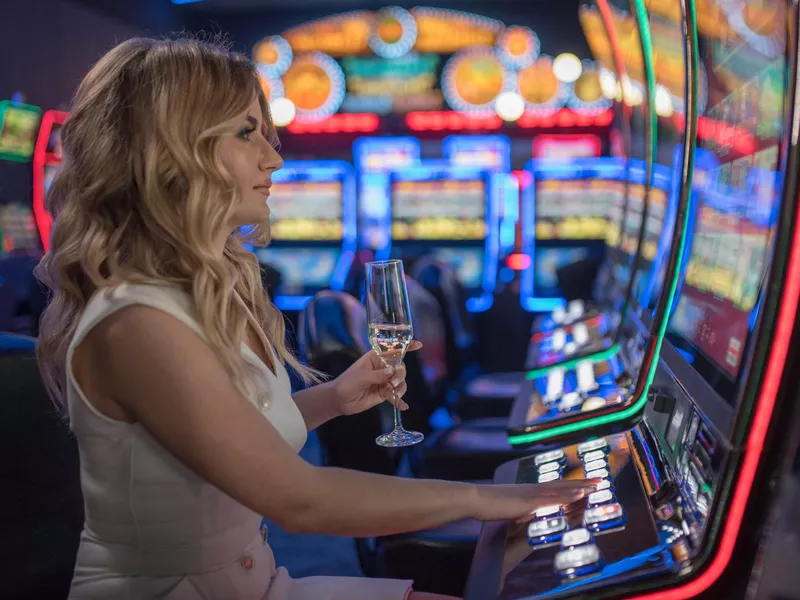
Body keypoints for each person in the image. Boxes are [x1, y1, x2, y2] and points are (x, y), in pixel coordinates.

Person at [35, 37, 597, 600]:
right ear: (174, 151)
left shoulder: (194, 293)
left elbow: (232, 436)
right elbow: (296, 499)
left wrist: (334, 397)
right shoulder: (136, 322)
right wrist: (486, 500)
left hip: (252, 583)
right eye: (246, 132)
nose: (273, 156)